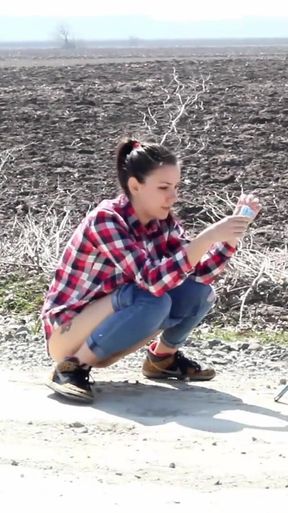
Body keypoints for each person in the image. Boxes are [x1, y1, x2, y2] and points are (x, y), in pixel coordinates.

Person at [42, 138, 261, 403]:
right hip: (67, 332)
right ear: (135, 185)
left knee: (198, 293)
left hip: (111, 319)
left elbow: (199, 275)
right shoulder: (107, 219)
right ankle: (71, 369)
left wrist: (230, 237)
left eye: (177, 187)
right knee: (152, 299)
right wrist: (206, 237)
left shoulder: (163, 224)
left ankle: (162, 359)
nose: (174, 196)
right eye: (164, 187)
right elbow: (152, 282)